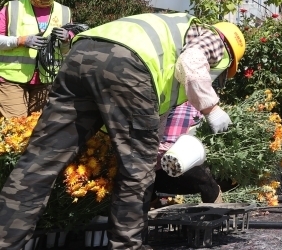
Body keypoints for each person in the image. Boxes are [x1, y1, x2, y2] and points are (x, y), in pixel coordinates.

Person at [0, 13, 245, 250]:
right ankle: (128, 246)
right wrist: (211, 108)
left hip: (81, 54)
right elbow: (192, 61)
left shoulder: (169, 31)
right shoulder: (216, 38)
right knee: (136, 171)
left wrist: (153, 148)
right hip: (126, 64)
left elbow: (146, 118)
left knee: (39, 161)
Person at [0, 0, 77, 118]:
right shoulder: (12, 8)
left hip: (47, 81)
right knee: (15, 129)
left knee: (40, 129)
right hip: (11, 79)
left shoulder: (64, 12)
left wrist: (66, 40)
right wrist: (20, 41)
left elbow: (67, 53)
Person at [151, 102, 223, 205]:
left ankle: (151, 203)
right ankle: (152, 205)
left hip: (153, 169)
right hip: (165, 167)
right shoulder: (187, 107)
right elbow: (167, 149)